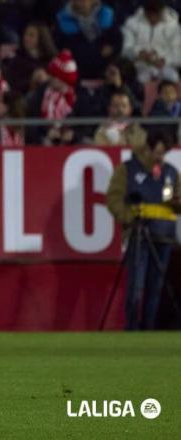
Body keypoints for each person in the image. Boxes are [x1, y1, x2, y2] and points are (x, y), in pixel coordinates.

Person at [107, 131, 181, 330]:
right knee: (136, 289)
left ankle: (148, 330)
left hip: (164, 237)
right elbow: (114, 199)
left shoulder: (171, 172)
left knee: (155, 289)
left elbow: (176, 201)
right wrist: (130, 218)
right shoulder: (128, 170)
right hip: (139, 234)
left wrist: (176, 202)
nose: (160, 158)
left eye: (163, 154)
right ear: (146, 148)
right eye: (157, 153)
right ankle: (131, 328)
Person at [121, 0, 181, 83]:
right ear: (145, 13)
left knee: (173, 78)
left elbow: (177, 52)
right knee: (141, 79)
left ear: (162, 13)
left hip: (165, 64)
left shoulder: (173, 25)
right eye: (149, 16)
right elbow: (126, 49)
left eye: (157, 16)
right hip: (139, 64)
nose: (153, 19)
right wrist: (138, 53)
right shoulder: (132, 23)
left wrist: (165, 60)